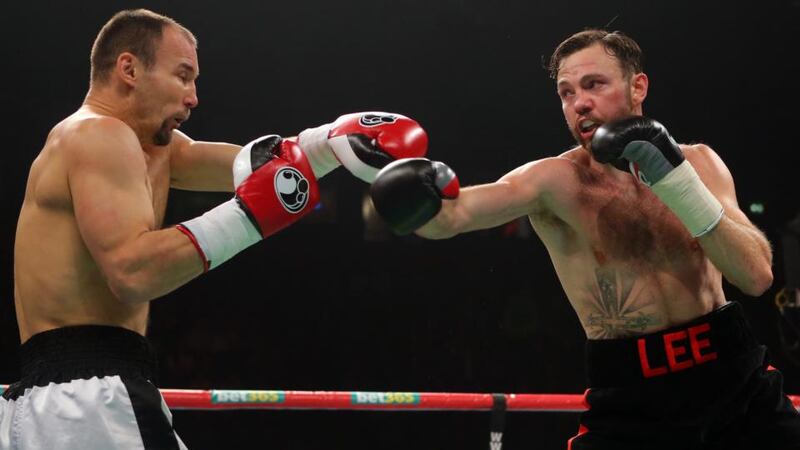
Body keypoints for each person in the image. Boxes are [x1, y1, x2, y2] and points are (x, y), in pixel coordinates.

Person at [1, 9, 427, 450]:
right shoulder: (99, 135)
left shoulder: (145, 147)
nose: (193, 98)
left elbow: (253, 167)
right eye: (182, 76)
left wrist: (331, 142)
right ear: (129, 69)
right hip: (88, 403)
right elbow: (132, 272)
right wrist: (247, 218)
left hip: (60, 400)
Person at [370, 29, 800, 449]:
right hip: (632, 403)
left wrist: (674, 179)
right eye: (567, 93)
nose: (580, 103)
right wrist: (392, 184)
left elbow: (757, 276)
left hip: (738, 384)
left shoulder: (699, 163)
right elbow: (453, 215)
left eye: (594, 84)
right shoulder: (556, 181)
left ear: (638, 87)